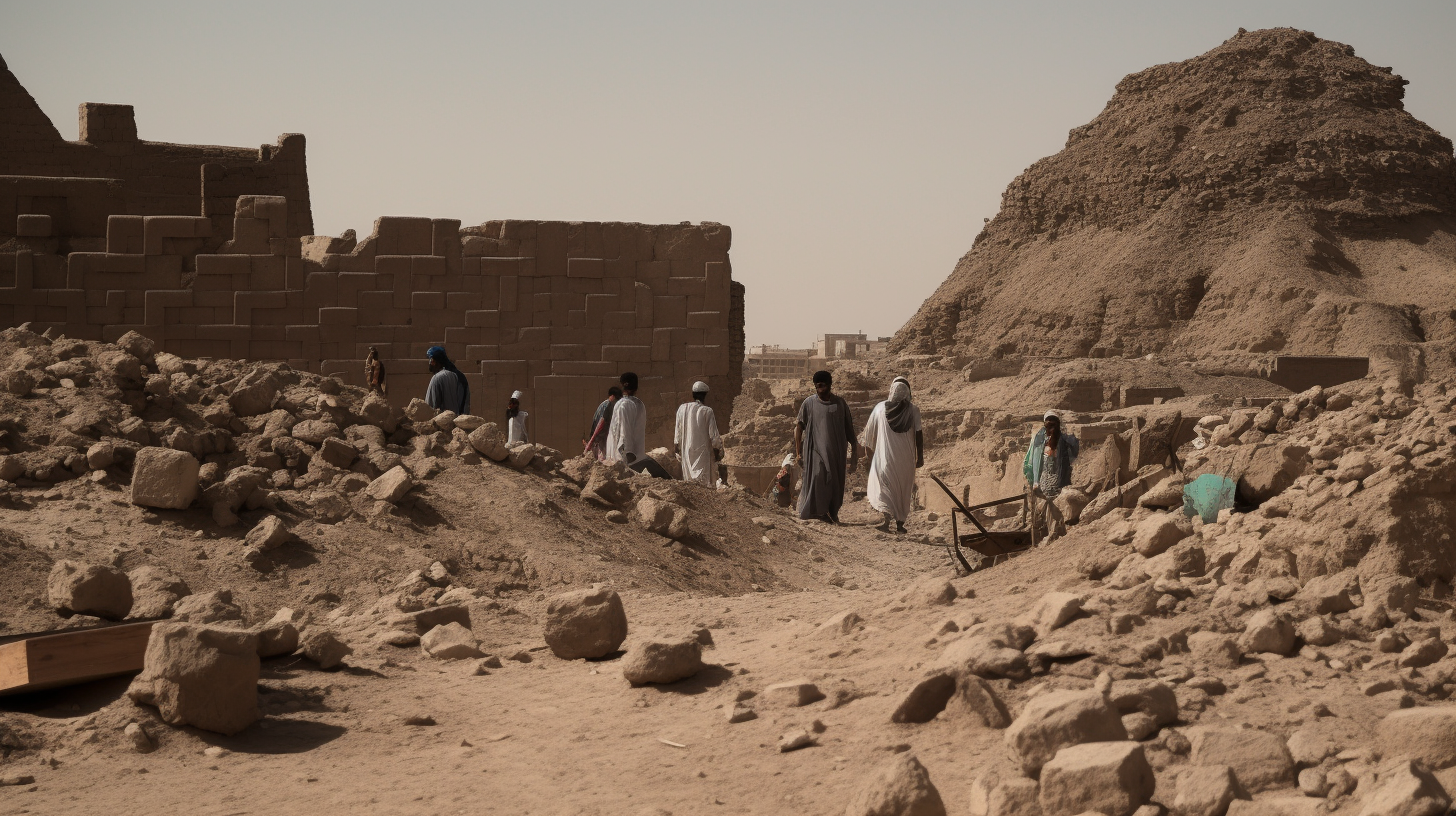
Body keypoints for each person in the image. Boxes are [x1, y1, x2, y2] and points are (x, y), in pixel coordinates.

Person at [794, 370, 858, 524]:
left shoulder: (840, 404)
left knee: (834, 483)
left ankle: (832, 512)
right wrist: (797, 452)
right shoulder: (808, 403)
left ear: (830, 385)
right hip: (815, 450)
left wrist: (854, 455)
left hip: (836, 452)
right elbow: (798, 427)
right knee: (818, 477)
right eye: (817, 386)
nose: (820, 388)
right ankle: (819, 512)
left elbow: (849, 430)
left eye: (822, 385)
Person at [861, 376, 923, 534]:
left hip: (885, 459)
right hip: (906, 460)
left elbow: (868, 434)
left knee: (886, 488)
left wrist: (870, 455)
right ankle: (900, 524)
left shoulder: (880, 408)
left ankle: (886, 521)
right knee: (903, 489)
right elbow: (919, 435)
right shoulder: (914, 410)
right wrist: (920, 457)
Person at [1021, 410, 1080, 541]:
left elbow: (1035, 462)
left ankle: (1053, 532)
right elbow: (1074, 452)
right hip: (1059, 479)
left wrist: (1035, 481)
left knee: (1050, 505)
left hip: (1046, 480)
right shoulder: (1063, 439)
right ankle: (1057, 531)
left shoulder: (1041, 440)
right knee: (1055, 505)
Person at [674, 381, 723, 487]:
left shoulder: (682, 409)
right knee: (703, 483)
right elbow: (714, 436)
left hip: (686, 450)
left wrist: (676, 447)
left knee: (690, 481)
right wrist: (718, 452)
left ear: (693, 394)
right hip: (702, 453)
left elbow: (677, 431)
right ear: (705, 395)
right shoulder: (707, 411)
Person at [604, 371, 646, 464]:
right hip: (638, 453)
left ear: (622, 385)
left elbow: (624, 430)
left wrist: (628, 451)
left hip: (624, 455)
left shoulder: (623, 404)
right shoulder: (640, 404)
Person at [425, 346, 469, 415]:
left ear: (433, 361)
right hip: (460, 422)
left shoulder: (437, 378)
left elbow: (430, 406)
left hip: (443, 422)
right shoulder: (461, 376)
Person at [584, 386, 622, 460]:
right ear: (612, 396)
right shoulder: (608, 406)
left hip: (599, 439)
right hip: (600, 439)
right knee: (602, 459)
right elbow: (600, 424)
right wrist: (590, 442)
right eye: (617, 399)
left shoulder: (603, 404)